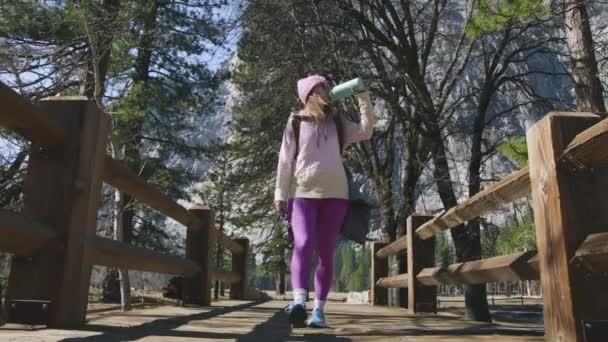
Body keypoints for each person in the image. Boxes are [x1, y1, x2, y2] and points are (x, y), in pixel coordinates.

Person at [273, 74, 375, 328]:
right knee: (304, 242)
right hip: (302, 194)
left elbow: (366, 131)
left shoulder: (338, 122)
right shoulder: (295, 122)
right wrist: (279, 195)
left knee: (326, 253)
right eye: (322, 88)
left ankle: (318, 310)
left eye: (328, 88)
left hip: (336, 196)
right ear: (309, 95)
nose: (327, 92)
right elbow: (285, 162)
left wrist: (362, 96)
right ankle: (299, 300)